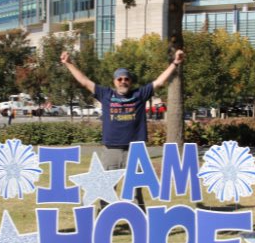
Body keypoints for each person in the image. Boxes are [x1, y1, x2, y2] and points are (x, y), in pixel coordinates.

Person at [59, 47, 185, 185]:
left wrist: (175, 63)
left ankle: (137, 207)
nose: (123, 81)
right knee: (105, 189)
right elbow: (84, 81)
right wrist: (68, 63)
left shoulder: (139, 94)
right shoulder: (106, 94)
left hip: (135, 151)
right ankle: (104, 208)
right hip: (111, 150)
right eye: (119, 79)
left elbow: (159, 82)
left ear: (130, 82)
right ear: (115, 81)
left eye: (126, 79)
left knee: (135, 193)